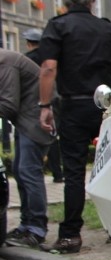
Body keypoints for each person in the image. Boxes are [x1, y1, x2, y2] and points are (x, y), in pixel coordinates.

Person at [37, 0, 111, 254]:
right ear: (91, 2)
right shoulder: (106, 27)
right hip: (106, 105)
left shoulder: (58, 26)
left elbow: (48, 67)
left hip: (74, 106)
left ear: (66, 3)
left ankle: (70, 236)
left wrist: (44, 105)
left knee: (74, 172)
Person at [0, 49, 55, 248]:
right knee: (20, 171)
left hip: (36, 119)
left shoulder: (5, 63)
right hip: (27, 120)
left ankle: (37, 229)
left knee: (28, 171)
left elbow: (7, 104)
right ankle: (26, 225)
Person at [23, 28, 64, 183]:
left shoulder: (26, 59)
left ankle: (37, 170)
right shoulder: (51, 59)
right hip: (55, 100)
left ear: (28, 43)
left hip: (35, 105)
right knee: (53, 137)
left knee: (35, 139)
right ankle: (58, 174)